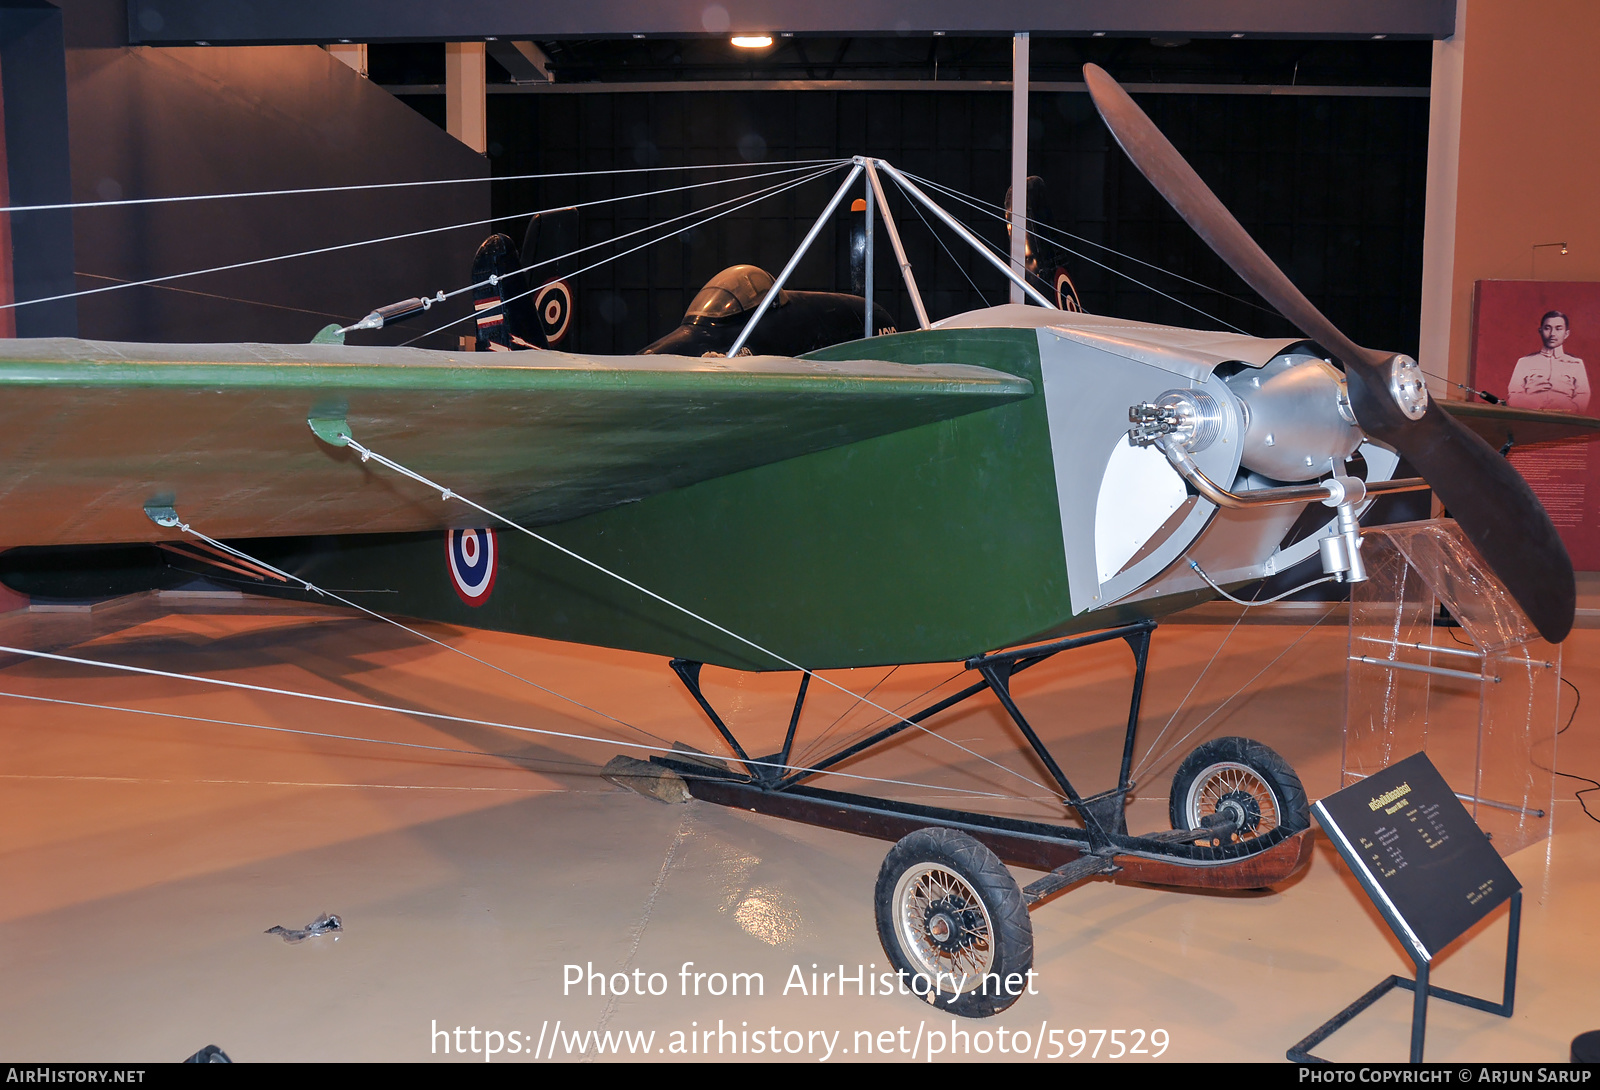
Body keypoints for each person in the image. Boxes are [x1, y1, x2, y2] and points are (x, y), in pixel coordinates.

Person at [1507, 310, 1589, 412]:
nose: (1552, 334)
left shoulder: (1576, 364)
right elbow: (1514, 394)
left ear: (1566, 333)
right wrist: (1534, 406)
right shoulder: (1524, 362)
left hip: (1565, 419)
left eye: (1558, 329)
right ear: (1540, 331)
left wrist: (1568, 410)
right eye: (1547, 328)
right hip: (1531, 417)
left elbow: (1583, 395)